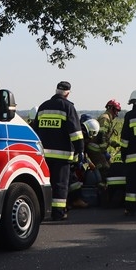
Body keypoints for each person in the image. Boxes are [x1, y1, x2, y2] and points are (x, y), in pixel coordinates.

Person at [33, 80, 84, 221]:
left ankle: (42, 211)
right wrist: (80, 151)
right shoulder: (68, 107)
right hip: (62, 156)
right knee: (60, 185)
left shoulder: (43, 107)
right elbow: (76, 133)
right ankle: (58, 213)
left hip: (43, 155)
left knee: (45, 183)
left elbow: (35, 130)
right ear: (67, 94)